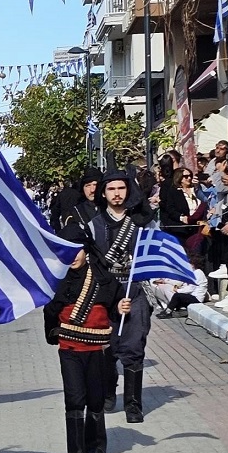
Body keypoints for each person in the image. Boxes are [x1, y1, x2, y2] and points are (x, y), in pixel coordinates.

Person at [44, 223, 129, 453]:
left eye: (76, 251)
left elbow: (114, 307)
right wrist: (55, 333)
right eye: (65, 252)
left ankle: (96, 446)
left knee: (95, 400)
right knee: (74, 401)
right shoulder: (56, 281)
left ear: (85, 250)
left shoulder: (104, 279)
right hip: (69, 350)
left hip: (98, 350)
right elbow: (50, 316)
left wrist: (121, 308)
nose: (72, 257)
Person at [85, 161, 154, 423]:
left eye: (121, 188)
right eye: (111, 188)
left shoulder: (142, 223)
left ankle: (133, 404)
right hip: (105, 293)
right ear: (103, 193)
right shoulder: (94, 225)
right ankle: (107, 393)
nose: (117, 193)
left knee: (134, 346)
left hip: (135, 289)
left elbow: (153, 253)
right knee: (106, 347)